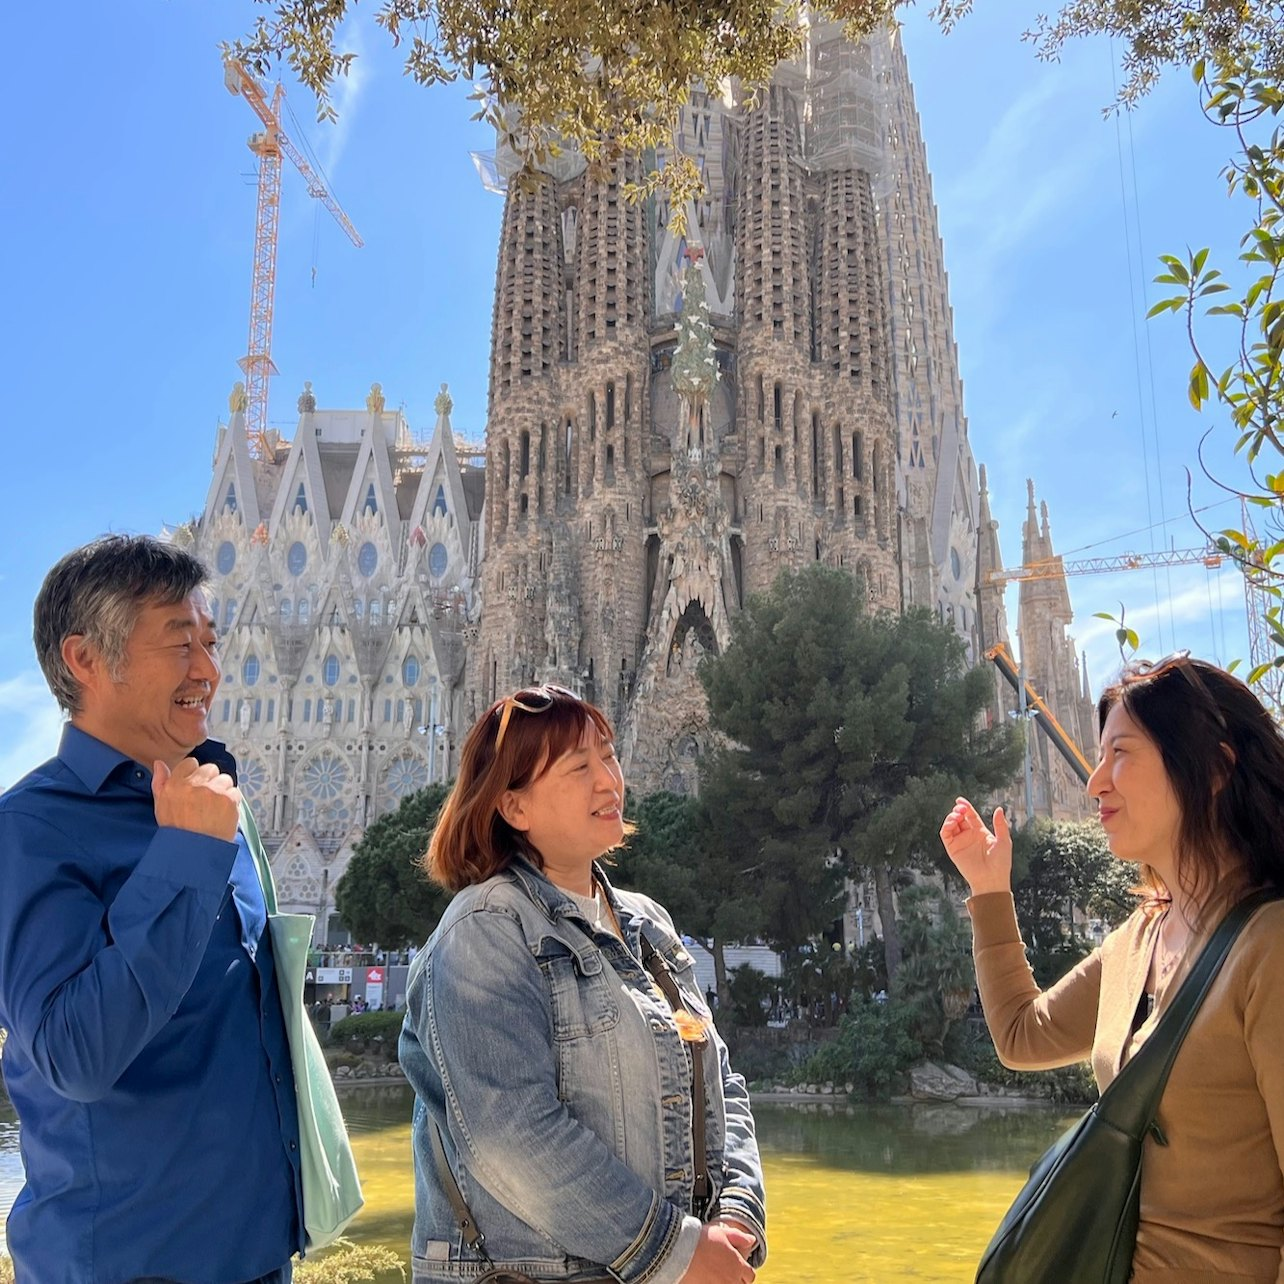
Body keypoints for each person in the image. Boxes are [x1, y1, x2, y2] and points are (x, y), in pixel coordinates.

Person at [0, 535, 303, 1283]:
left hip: (261, 1256)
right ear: (86, 660)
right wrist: (187, 856)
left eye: (211, 641)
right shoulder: (28, 830)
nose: (208, 670)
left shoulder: (213, 809)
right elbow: (74, 1055)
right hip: (129, 1265)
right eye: (179, 643)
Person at [399, 684, 767, 1284]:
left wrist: (736, 1213)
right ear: (514, 807)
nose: (608, 780)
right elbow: (509, 1134)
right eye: (579, 767)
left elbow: (720, 1081)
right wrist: (675, 1251)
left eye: (609, 755)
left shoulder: (648, 924)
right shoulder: (484, 931)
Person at [940, 653, 1284, 1282]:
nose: (1095, 782)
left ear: (1212, 769)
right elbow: (1023, 1035)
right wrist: (990, 891)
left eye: (1120, 754)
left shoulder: (1272, 945)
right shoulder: (1140, 937)